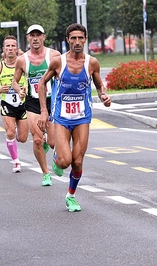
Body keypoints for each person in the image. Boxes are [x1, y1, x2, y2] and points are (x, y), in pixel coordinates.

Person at [37, 23, 111, 212]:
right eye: (73, 38)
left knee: (77, 162)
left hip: (82, 117)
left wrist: (103, 95)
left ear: (85, 39)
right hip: (61, 117)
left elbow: (99, 85)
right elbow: (41, 83)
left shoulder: (92, 63)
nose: (77, 42)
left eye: (81, 38)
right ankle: (56, 158)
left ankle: (71, 196)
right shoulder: (58, 62)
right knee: (65, 161)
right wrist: (44, 111)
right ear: (67, 40)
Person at [12, 24, 61, 185]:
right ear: (27, 38)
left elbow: (62, 77)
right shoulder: (22, 60)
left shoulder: (54, 56)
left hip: (51, 101)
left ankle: (53, 150)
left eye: (38, 35)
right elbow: (15, 81)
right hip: (32, 102)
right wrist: (19, 90)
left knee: (53, 142)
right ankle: (46, 173)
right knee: (37, 139)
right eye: (32, 35)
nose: (35, 38)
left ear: (43, 37)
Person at [0, 36, 28, 173]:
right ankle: (16, 162)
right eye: (8, 46)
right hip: (7, 103)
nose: (10, 49)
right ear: (3, 49)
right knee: (10, 132)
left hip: (22, 103)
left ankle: (15, 135)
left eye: (13, 46)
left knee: (23, 138)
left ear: (17, 49)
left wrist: (25, 88)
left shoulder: (24, 64)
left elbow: (31, 80)